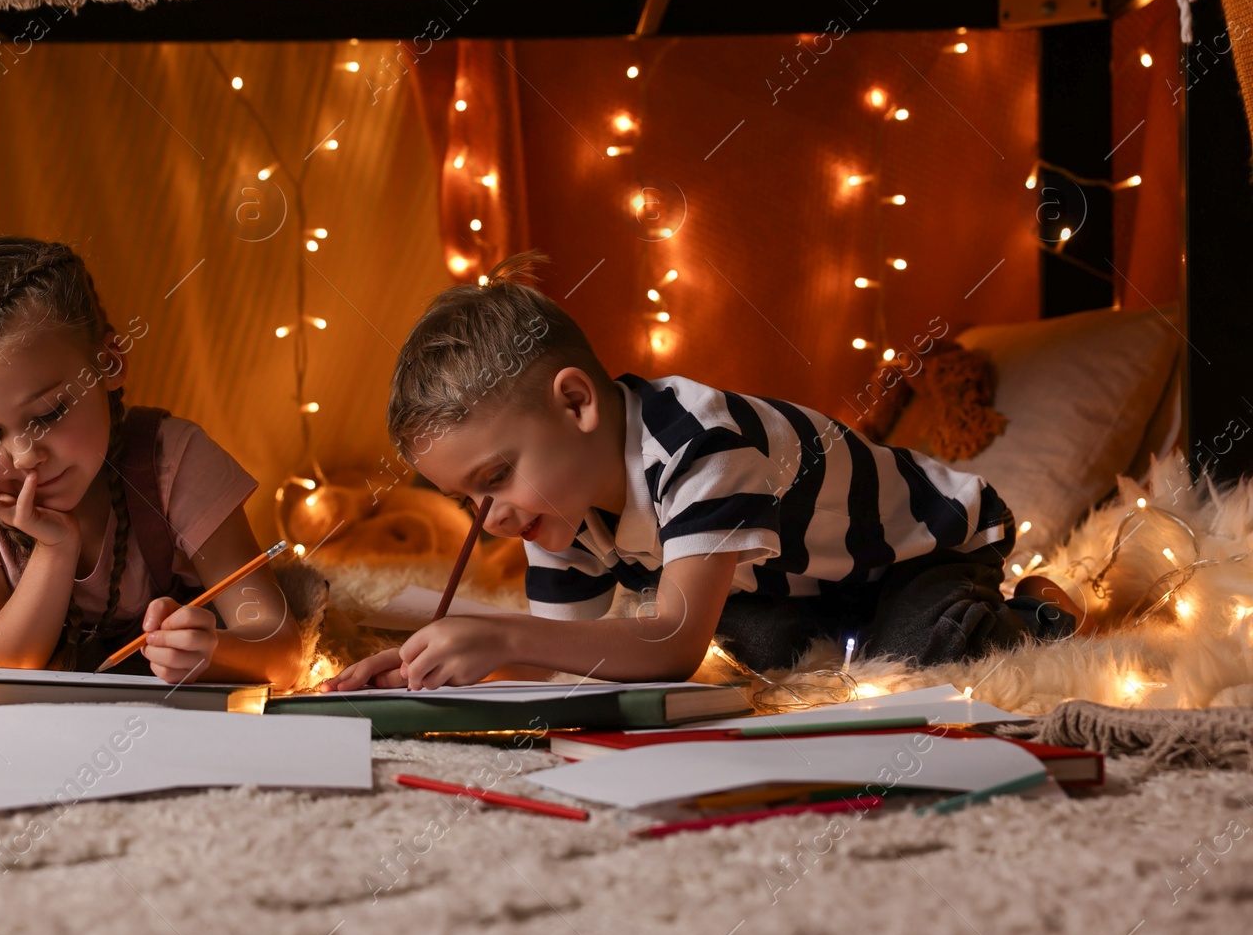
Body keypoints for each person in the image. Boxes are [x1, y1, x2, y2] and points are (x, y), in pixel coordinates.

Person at [326, 252, 1078, 691]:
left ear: (577, 403)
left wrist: (497, 636)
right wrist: (425, 673)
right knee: (768, 653)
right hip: (798, 582)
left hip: (918, 552)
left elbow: (674, 644)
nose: (486, 515)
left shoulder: (699, 443)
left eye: (494, 477)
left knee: (919, 656)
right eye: (466, 497)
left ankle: (1035, 615)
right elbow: (562, 661)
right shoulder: (555, 506)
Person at [0, 236, 301, 686]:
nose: (26, 454)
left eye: (50, 412)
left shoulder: (174, 462)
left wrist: (213, 652)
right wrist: (55, 549)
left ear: (110, 364)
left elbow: (282, 654)